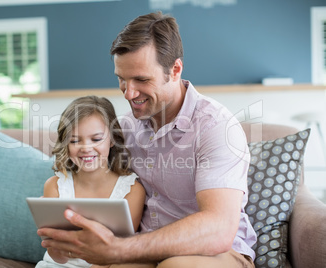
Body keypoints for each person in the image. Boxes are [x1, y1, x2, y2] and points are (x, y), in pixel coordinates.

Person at [38, 12, 257, 268]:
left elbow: (218, 229)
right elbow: (88, 171)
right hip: (145, 249)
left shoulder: (216, 127)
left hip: (214, 252)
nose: (129, 94)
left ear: (174, 70)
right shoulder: (124, 128)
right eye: (121, 79)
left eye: (141, 79)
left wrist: (119, 249)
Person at [35, 96, 146, 268]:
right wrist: (56, 248)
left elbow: (119, 251)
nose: (86, 148)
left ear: (112, 139)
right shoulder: (55, 186)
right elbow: (57, 256)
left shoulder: (132, 190)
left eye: (96, 139)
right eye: (74, 140)